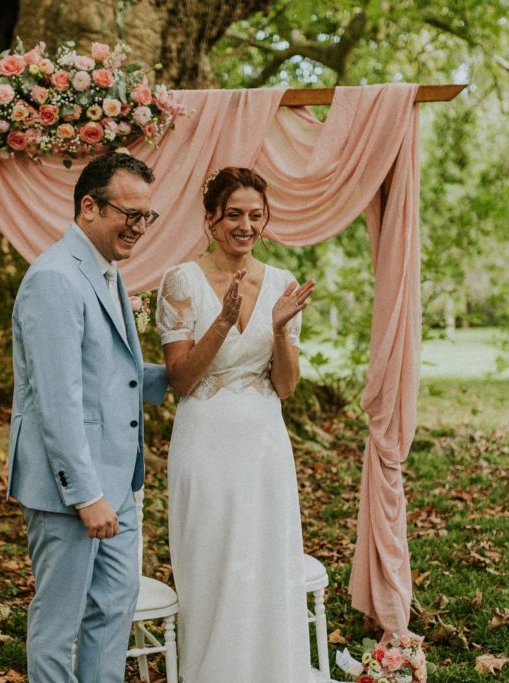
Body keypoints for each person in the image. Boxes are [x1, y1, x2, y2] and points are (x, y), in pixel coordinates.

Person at [8, 151, 169, 683]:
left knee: (113, 609)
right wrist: (86, 494)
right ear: (89, 207)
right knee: (59, 623)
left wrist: (192, 369)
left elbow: (113, 375)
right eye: (130, 214)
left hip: (118, 484)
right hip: (72, 492)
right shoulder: (54, 277)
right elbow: (58, 399)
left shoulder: (105, 272)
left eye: (147, 216)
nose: (139, 227)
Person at [156, 167, 316, 681]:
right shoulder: (180, 281)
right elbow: (181, 380)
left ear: (265, 221)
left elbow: (286, 386)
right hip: (204, 444)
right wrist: (223, 321)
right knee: (213, 564)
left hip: (265, 444)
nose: (245, 225)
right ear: (210, 221)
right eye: (233, 215)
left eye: (255, 215)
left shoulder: (283, 285)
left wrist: (282, 331)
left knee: (266, 562)